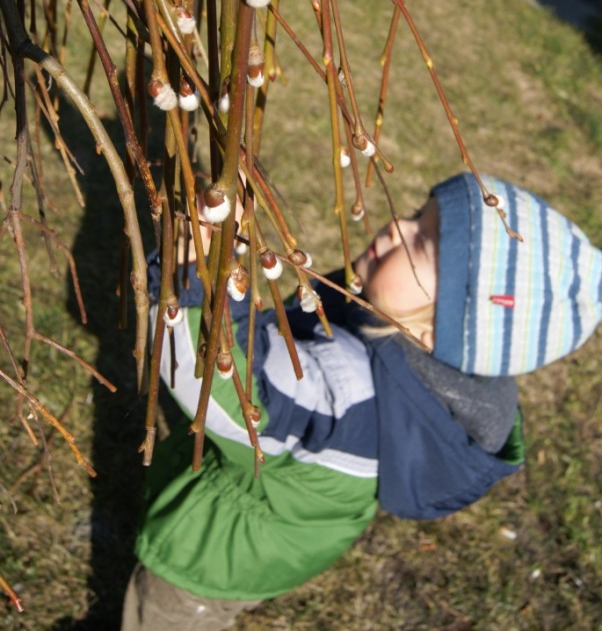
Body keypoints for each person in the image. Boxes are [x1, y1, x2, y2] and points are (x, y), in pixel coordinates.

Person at [121, 172, 602, 630]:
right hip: (275, 521)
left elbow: (226, 390)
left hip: (220, 552)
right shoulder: (399, 347)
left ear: (436, 332)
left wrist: (195, 280)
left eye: (422, 242)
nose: (397, 225)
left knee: (163, 614)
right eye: (417, 214)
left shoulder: (351, 391)